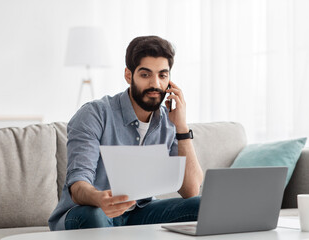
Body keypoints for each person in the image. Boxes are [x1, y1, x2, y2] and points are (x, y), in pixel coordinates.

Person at [48, 35, 204, 230]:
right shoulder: (94, 114)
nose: (155, 84)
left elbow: (190, 191)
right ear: (129, 75)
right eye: (145, 75)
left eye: (162, 75)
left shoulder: (169, 120)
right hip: (89, 210)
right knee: (94, 214)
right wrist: (100, 198)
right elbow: (78, 185)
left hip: (138, 212)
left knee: (201, 207)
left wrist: (181, 128)